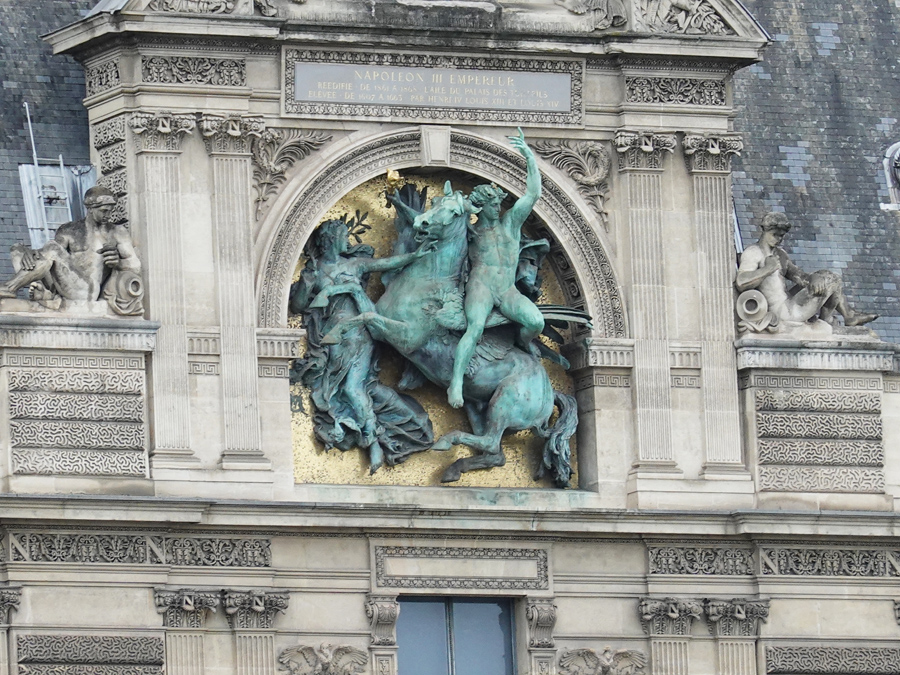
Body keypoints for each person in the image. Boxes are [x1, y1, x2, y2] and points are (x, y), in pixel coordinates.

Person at [290, 216, 434, 473]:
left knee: (354, 388)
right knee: (348, 389)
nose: (347, 240)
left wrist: (415, 255)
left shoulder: (355, 264)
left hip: (359, 332)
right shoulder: (316, 269)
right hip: (332, 338)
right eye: (343, 236)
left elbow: (386, 263)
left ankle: (373, 440)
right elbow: (299, 305)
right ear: (331, 240)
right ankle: (377, 433)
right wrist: (306, 284)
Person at [447, 128, 544, 409]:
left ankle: (522, 340)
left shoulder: (511, 223)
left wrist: (529, 156)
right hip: (481, 286)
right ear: (482, 206)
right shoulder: (471, 230)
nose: (496, 207)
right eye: (492, 204)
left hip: (507, 288)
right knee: (474, 328)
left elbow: (533, 194)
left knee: (536, 322)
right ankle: (456, 382)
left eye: (497, 203)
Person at [0, 186, 143, 315]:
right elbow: (48, 258)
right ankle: (45, 293)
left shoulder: (116, 232)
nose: (108, 215)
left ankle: (9, 288)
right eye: (103, 210)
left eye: (110, 211)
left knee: (53, 248)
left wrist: (117, 263)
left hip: (87, 291)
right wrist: (30, 253)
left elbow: (135, 266)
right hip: (65, 285)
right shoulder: (69, 230)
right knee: (18, 249)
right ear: (90, 208)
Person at [735, 212, 877, 328]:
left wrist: (813, 278)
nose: (779, 239)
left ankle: (846, 316)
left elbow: (799, 276)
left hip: (790, 301)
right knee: (832, 280)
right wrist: (767, 269)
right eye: (775, 234)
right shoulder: (754, 252)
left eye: (781, 236)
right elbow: (741, 282)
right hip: (784, 312)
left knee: (824, 275)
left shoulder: (780, 254)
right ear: (765, 231)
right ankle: (828, 320)